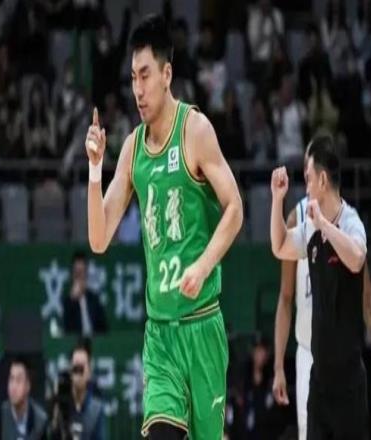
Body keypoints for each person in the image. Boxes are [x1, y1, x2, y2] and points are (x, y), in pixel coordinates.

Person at [85, 14, 243, 440]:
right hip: (160, 336)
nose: (137, 89)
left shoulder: (195, 130)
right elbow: (98, 239)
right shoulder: (132, 148)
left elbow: (235, 209)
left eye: (145, 75)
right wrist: (95, 169)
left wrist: (203, 266)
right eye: (132, 78)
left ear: (166, 74)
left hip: (202, 326)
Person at [272, 151, 371, 440]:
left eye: (309, 179)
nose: (306, 186)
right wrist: (277, 200)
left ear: (323, 180)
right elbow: (280, 248)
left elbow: (358, 261)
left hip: (348, 379)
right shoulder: (306, 224)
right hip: (317, 373)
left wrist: (325, 226)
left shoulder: (351, 222)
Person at [51, 341, 106, 440]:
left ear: (89, 373)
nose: (78, 373)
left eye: (82, 368)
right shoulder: (60, 404)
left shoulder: (96, 409)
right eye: (75, 367)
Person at [0, 358, 48, 439]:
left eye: (18, 380)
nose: (13, 387)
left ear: (28, 386)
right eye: (11, 379)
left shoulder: (40, 420)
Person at [62, 251, 108, 336]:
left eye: (82, 272)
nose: (79, 277)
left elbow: (104, 329)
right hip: (76, 343)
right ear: (72, 274)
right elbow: (67, 330)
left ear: (86, 274)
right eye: (77, 272)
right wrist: (73, 301)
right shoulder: (67, 301)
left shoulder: (94, 299)